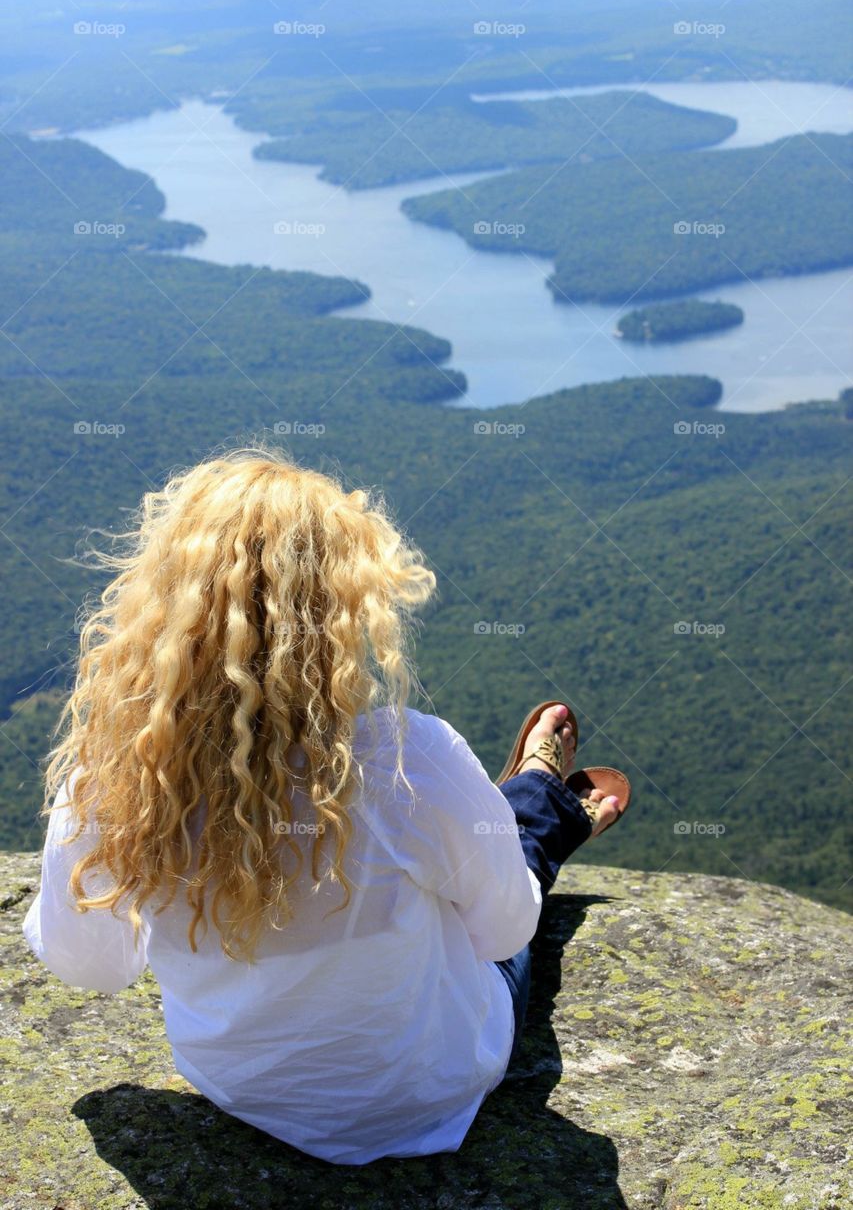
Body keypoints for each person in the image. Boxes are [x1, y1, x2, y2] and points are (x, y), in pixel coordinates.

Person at [22, 446, 626, 1165]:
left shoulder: (111, 781)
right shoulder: (412, 759)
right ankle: (537, 808)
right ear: (342, 612)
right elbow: (503, 932)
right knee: (507, 869)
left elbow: (94, 968)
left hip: (240, 1091)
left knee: (450, 847)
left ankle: (524, 808)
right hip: (437, 1084)